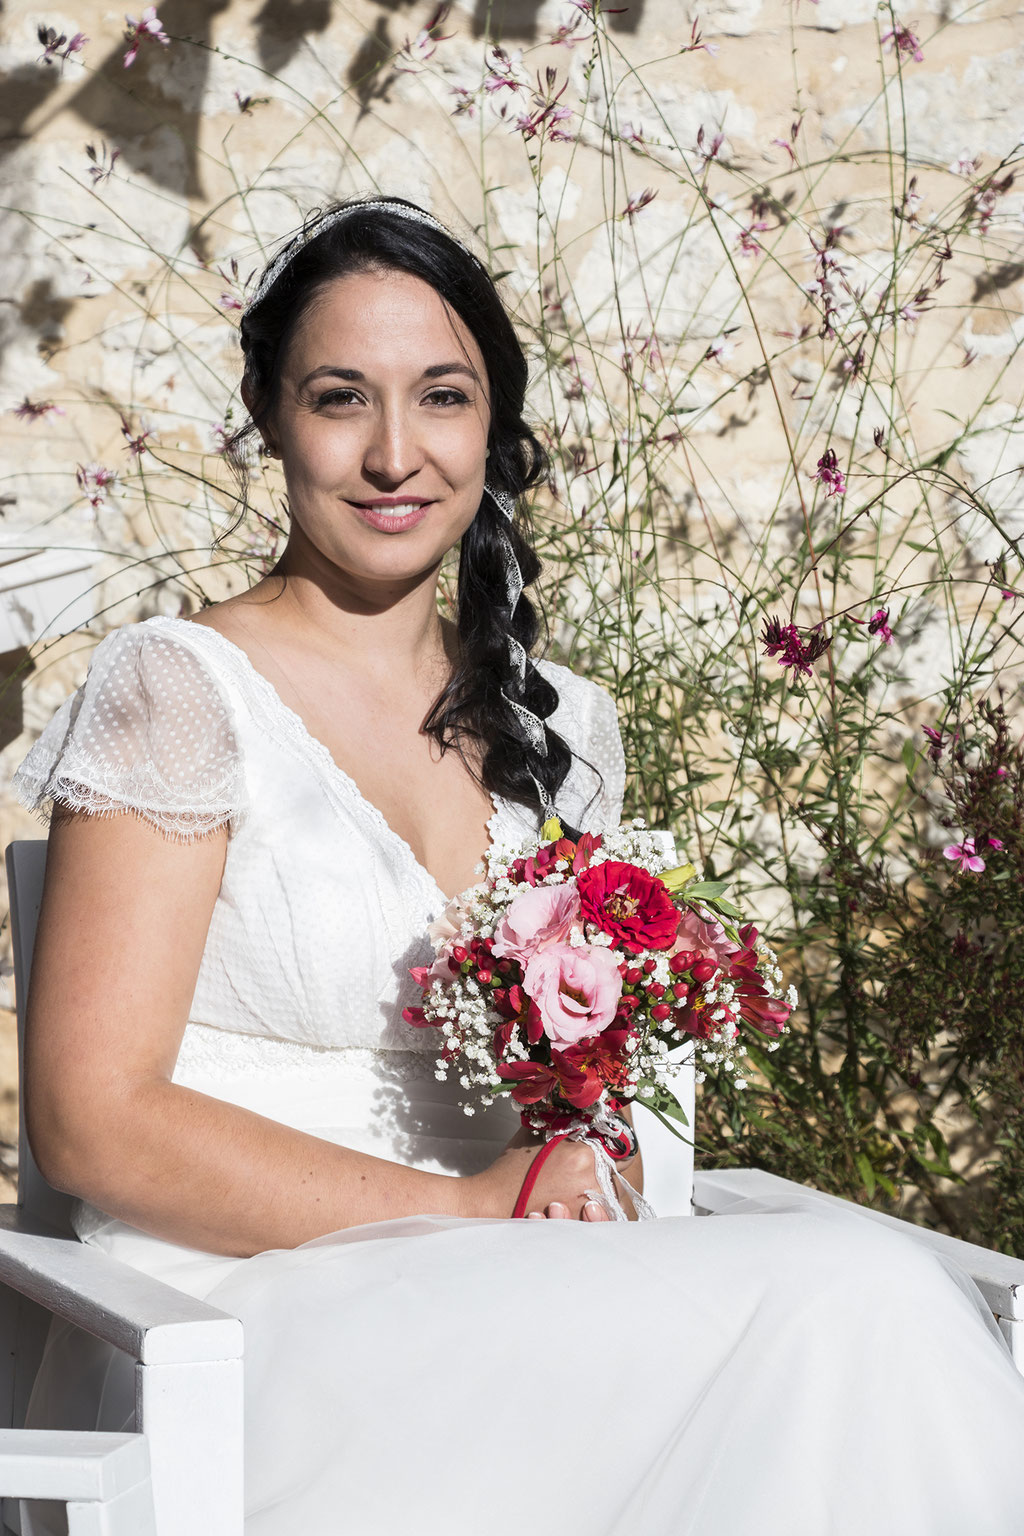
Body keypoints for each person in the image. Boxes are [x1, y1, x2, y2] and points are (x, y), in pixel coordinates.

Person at [12, 195, 1024, 1536]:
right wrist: (461, 1210)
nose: (392, 454)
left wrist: (572, 1168)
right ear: (268, 415)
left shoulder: (561, 726)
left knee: (866, 1301)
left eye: (441, 396)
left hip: (523, 1297)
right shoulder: (179, 688)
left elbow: (583, 1088)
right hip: (246, 1312)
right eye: (338, 399)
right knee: (857, 1298)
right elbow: (95, 1122)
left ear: (493, 426)